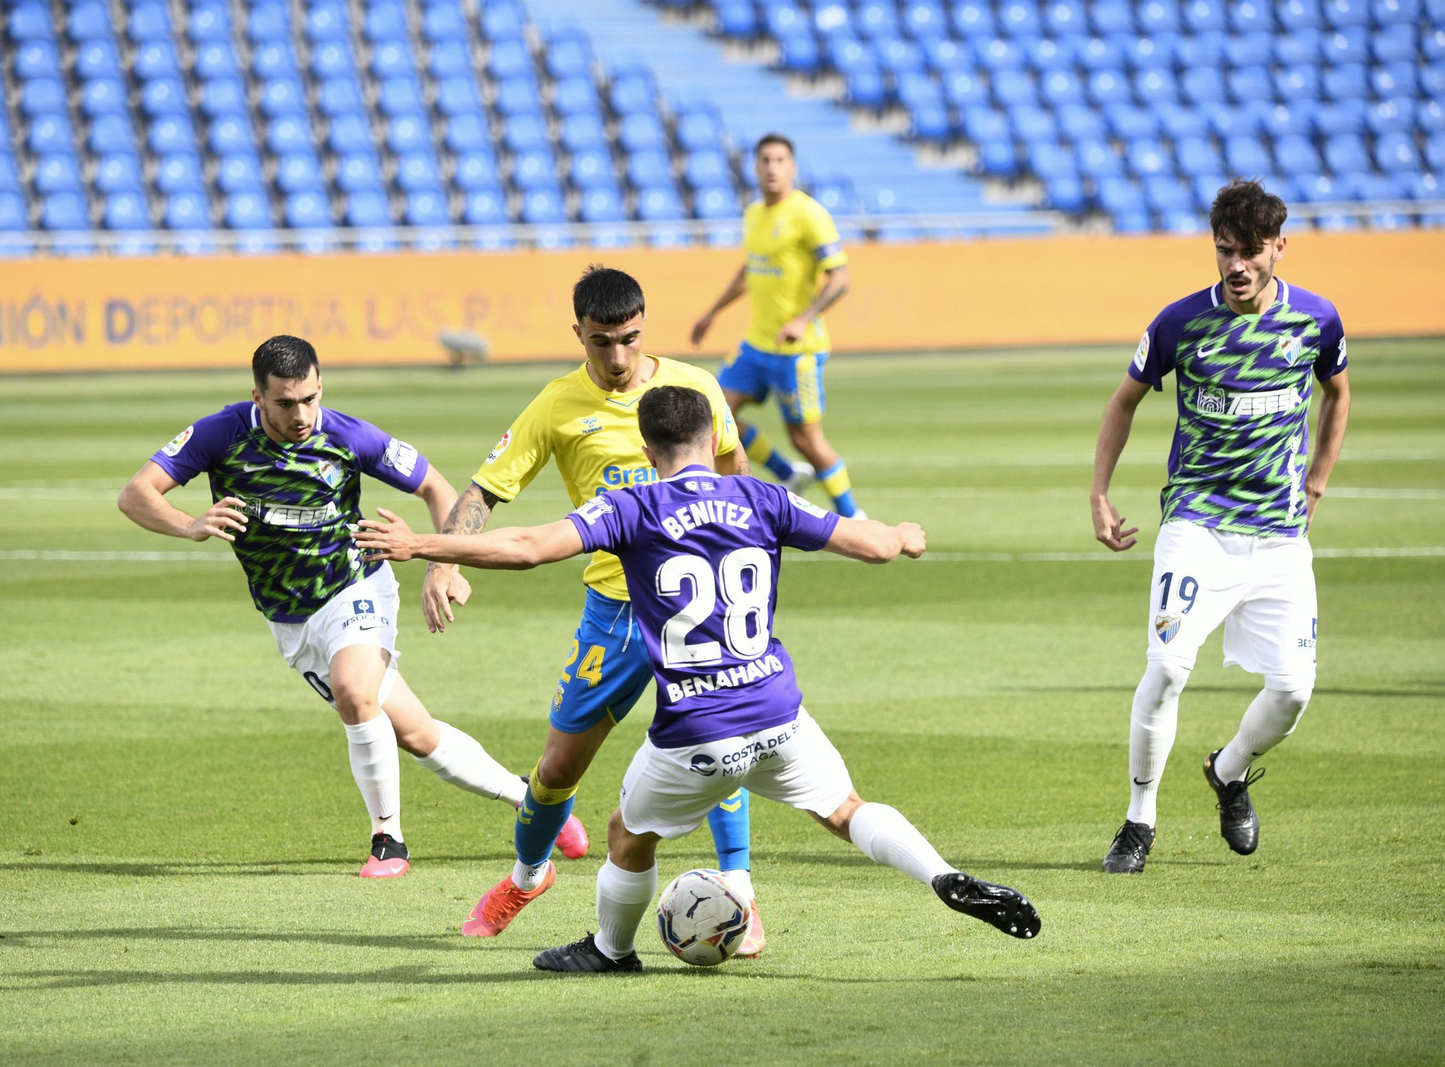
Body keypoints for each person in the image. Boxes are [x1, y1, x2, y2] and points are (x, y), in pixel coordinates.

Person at [356, 385, 1041, 972]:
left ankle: (610, 949)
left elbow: (529, 546)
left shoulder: (632, 507)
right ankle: (942, 873)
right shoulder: (761, 496)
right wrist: (903, 534)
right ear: (716, 436)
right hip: (779, 711)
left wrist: (422, 544)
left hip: (697, 730)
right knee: (846, 809)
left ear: (647, 453)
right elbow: (874, 544)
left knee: (627, 831)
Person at [117, 334, 584, 878]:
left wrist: (444, 564)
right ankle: (530, 801)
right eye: (286, 403)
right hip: (289, 615)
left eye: (310, 399)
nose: (301, 414)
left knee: (354, 692)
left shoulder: (347, 435)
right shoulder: (220, 433)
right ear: (258, 397)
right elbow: (137, 493)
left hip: (356, 584)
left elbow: (435, 486)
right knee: (415, 733)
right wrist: (190, 524)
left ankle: (389, 841)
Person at [414, 266, 769, 951]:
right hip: (614, 612)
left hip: (696, 607)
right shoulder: (556, 406)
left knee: (718, 743)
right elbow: (486, 491)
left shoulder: (696, 388)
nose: (616, 357)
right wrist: (444, 558)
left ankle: (741, 897)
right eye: (601, 342)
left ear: (645, 326)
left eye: (629, 340)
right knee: (556, 769)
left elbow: (736, 474)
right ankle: (528, 874)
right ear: (577, 332)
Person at [1091, 180, 1351, 874]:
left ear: (1279, 248)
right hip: (1197, 525)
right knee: (1169, 666)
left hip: (1278, 536)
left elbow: (1338, 391)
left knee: (1293, 690)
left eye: (1249, 252)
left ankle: (1228, 770)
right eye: (1223, 250)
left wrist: (1317, 480)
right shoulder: (1181, 323)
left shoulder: (1316, 321)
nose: (1235, 266)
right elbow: (1123, 403)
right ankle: (1139, 820)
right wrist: (1100, 492)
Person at [689, 132, 863, 519]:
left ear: (793, 167)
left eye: (780, 160)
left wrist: (803, 320)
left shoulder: (809, 214)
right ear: (755, 166)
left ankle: (853, 517)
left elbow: (841, 279)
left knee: (807, 439)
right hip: (756, 345)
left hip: (796, 351)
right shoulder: (754, 214)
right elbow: (749, 270)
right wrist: (712, 313)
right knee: (716, 416)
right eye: (765, 160)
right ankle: (787, 474)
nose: (772, 167)